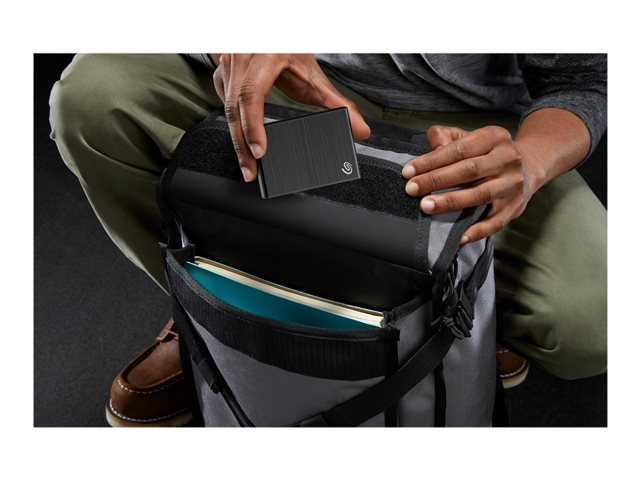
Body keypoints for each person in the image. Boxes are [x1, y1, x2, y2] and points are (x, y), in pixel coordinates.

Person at [49, 53, 607, 427]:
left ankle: (460, 314)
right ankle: (210, 320)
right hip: (291, 82)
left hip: (469, 123)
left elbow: (589, 80)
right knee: (92, 95)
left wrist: (528, 162)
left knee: (596, 319)